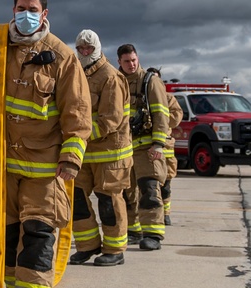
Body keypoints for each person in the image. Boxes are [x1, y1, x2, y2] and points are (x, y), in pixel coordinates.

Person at [0, 0, 91, 288]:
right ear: (14, 10)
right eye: (21, 8)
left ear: (44, 15)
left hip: (44, 169)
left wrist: (71, 158)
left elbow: (78, 112)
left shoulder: (62, 57)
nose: (26, 14)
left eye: (33, 9)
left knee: (39, 237)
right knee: (6, 239)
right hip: (1, 167)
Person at [68, 30, 132, 267]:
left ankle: (115, 249)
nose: (85, 53)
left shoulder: (111, 77)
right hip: (84, 154)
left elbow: (111, 119)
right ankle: (88, 245)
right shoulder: (77, 73)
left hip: (110, 155)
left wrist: (80, 135)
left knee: (108, 202)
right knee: (76, 198)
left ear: (97, 48)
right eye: (81, 49)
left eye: (89, 49)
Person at [117, 44, 169, 250]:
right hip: (123, 148)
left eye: (134, 60)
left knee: (149, 190)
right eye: (127, 61)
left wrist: (158, 144)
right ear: (119, 62)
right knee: (126, 192)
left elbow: (161, 113)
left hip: (147, 148)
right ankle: (134, 230)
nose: (131, 64)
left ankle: (153, 234)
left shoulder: (150, 81)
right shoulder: (116, 81)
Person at [146, 69, 183, 227]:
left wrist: (159, 118)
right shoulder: (143, 98)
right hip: (146, 148)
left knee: (165, 186)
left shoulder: (169, 98)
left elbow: (176, 117)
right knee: (148, 187)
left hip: (166, 148)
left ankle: (166, 214)